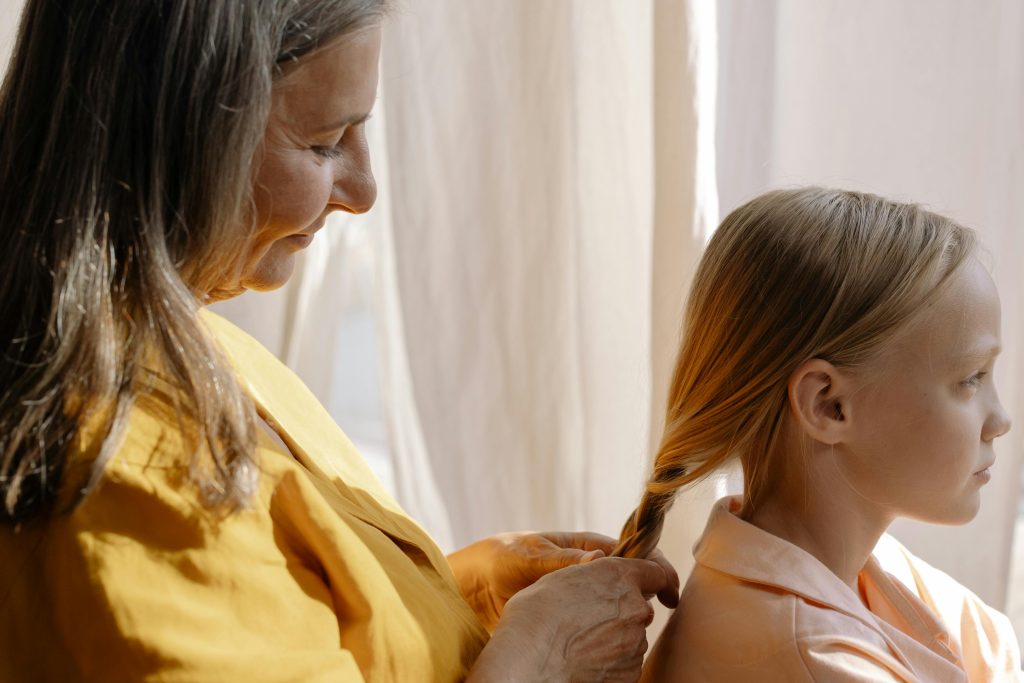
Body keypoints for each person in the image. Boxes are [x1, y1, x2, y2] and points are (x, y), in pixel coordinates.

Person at [0, 1, 678, 681]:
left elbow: (275, 612)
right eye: (324, 143)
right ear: (174, 131)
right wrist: (540, 655)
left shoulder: (207, 347)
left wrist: (451, 591)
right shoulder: (114, 478)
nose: (364, 191)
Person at [614, 188, 1021, 681]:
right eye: (971, 378)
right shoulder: (811, 660)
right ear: (828, 404)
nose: (1000, 420)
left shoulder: (865, 567)